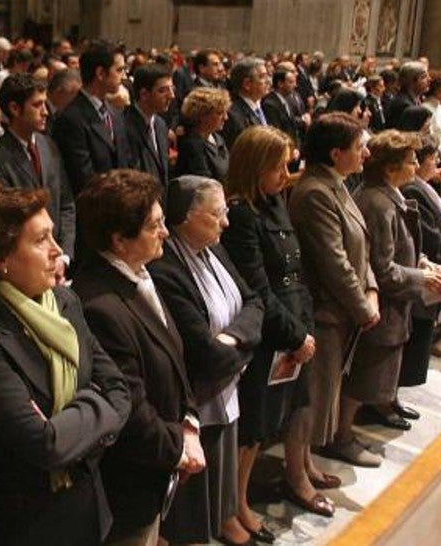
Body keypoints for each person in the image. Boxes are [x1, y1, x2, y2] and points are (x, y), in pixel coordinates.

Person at [0, 185, 130, 545]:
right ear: (0, 257)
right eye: (41, 239)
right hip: (26, 525)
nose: (57, 251)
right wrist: (95, 404)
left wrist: (71, 422)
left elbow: (121, 391)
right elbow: (44, 444)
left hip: (86, 504)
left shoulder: (63, 301)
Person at [71, 170, 205, 545]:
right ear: (119, 239)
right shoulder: (99, 304)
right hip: (131, 478)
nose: (165, 233)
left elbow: (176, 359)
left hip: (160, 462)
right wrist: (179, 448)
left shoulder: (141, 273)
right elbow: (128, 403)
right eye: (154, 226)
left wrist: (190, 421)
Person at [148, 176, 264, 545]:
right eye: (216, 215)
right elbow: (206, 355)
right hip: (198, 399)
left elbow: (255, 303)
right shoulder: (167, 269)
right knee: (192, 514)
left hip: (227, 386)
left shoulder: (214, 250)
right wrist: (243, 345)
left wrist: (231, 338)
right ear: (186, 218)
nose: (226, 223)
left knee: (219, 493)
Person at [221, 125, 319, 530]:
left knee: (268, 424)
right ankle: (235, 505)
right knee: (252, 427)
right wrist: (295, 334)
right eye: (277, 166)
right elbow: (257, 286)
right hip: (268, 332)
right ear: (255, 166)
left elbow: (294, 269)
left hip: (294, 323)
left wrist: (303, 327)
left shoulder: (275, 201)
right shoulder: (242, 214)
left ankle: (241, 500)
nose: (285, 174)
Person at [288, 113, 382, 485]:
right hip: (325, 310)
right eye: (359, 147)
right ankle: (296, 474)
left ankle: (307, 464)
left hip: (343, 308)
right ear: (335, 152)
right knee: (311, 399)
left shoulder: (338, 184)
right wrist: (362, 306)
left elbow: (361, 244)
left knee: (325, 394)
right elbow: (334, 261)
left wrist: (371, 288)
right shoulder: (314, 192)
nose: (366, 153)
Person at [351, 131, 441, 433]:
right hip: (384, 299)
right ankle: (366, 414)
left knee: (391, 359)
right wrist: (421, 276)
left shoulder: (390, 194)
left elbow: (401, 246)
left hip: (400, 297)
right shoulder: (377, 202)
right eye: (411, 160)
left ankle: (387, 399)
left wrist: (421, 261)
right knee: (371, 370)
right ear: (390, 167)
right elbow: (381, 267)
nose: (417, 165)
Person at [0, 73, 77, 263]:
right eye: (37, 105)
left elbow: (66, 203)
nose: (45, 112)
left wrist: (64, 254)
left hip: (59, 257)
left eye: (45, 103)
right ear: (15, 109)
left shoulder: (49, 145)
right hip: (27, 262)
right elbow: (8, 222)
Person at [398, 138, 441, 389]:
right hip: (418, 272)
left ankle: (393, 397)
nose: (435, 163)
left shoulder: (420, 186)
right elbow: (425, 233)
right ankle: (389, 398)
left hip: (428, 264)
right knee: (414, 334)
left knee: (421, 332)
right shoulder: (411, 189)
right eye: (431, 158)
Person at [52, 40, 133, 191]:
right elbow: (82, 178)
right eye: (119, 70)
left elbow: (126, 163)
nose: (124, 76)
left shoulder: (115, 114)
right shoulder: (71, 119)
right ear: (101, 73)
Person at [124, 64, 174, 187]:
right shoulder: (125, 125)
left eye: (172, 89)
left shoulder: (160, 124)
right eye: (162, 90)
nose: (171, 96)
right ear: (144, 94)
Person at [175, 86, 232, 181]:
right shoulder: (192, 146)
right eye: (219, 113)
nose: (225, 118)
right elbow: (205, 182)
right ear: (202, 115)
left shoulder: (218, 138)